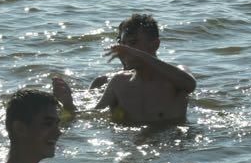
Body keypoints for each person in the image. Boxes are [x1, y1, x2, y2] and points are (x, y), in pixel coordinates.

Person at [53, 14, 196, 125]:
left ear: (155, 45)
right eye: (122, 45)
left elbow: (190, 84)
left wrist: (135, 53)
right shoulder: (119, 82)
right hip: (132, 147)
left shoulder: (175, 77)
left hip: (170, 151)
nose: (124, 51)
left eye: (133, 43)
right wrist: (68, 104)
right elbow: (91, 117)